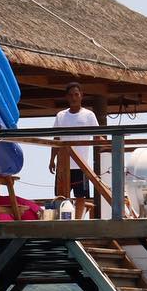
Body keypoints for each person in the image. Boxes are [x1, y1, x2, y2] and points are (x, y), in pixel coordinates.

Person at [49, 82, 99, 216]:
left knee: (80, 196)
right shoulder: (61, 115)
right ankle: (64, 220)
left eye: (76, 94)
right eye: (71, 95)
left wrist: (109, 150)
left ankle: (77, 221)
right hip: (63, 164)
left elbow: (98, 136)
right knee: (61, 195)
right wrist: (52, 159)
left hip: (80, 164)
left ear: (81, 96)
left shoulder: (89, 115)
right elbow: (56, 138)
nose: (74, 98)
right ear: (67, 97)